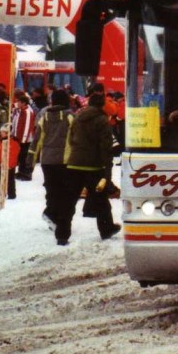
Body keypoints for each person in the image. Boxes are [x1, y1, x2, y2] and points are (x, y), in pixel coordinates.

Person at [62, 89, 121, 244]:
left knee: (68, 201)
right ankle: (106, 229)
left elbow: (70, 139)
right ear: (102, 106)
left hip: (74, 164)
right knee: (101, 200)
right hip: (94, 167)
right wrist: (107, 172)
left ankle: (62, 234)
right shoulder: (102, 120)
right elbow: (106, 147)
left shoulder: (78, 117)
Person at [31, 88, 74, 233]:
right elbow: (75, 137)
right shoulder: (70, 117)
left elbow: (37, 140)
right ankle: (52, 215)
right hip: (64, 159)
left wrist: (30, 159)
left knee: (51, 189)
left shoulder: (44, 118)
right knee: (63, 191)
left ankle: (52, 216)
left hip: (47, 160)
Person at [11, 89, 37, 181]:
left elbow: (27, 126)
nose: (17, 103)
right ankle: (21, 171)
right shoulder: (20, 111)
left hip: (25, 139)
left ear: (23, 103)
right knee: (21, 156)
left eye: (18, 102)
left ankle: (26, 173)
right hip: (20, 137)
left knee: (25, 156)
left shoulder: (27, 112)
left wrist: (23, 138)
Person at [0, 123, 20, 199]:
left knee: (10, 180)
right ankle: (0, 193)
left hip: (10, 165)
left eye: (3, 132)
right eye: (1, 132)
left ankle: (11, 194)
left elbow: (14, 154)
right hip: (1, 164)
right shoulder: (0, 142)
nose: (1, 134)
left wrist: (9, 164)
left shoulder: (13, 143)